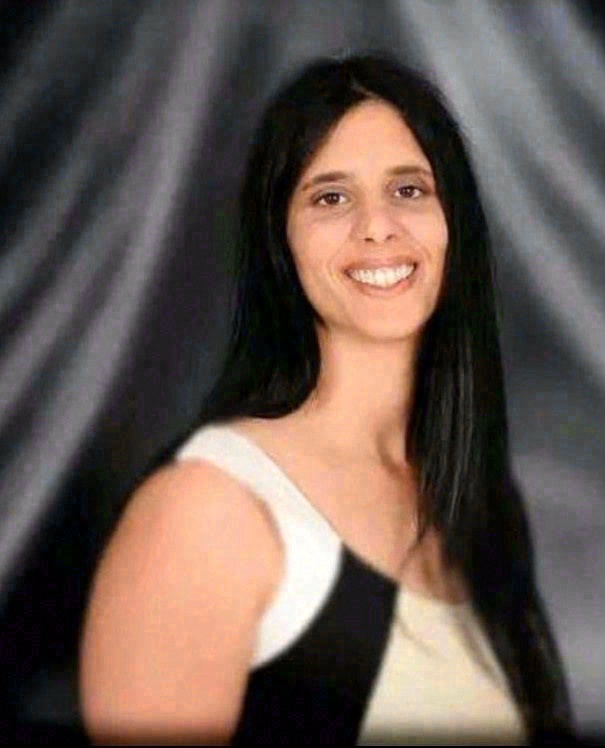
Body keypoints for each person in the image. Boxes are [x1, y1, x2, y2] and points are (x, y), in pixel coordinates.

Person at [78, 53, 574, 745]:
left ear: (453, 222)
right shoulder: (208, 512)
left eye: (408, 189)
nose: (377, 226)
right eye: (330, 198)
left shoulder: (469, 501)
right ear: (279, 239)